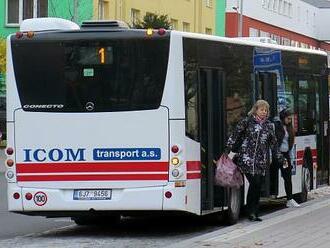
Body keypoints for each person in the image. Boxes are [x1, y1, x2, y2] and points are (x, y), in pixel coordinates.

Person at [224, 100, 283, 222]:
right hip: (246, 158)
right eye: (262, 110)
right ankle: (250, 210)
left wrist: (279, 157)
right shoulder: (247, 122)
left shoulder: (268, 126)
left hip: (261, 160)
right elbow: (235, 135)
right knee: (254, 182)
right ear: (256, 110)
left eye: (266, 110)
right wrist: (228, 149)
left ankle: (254, 212)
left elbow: (274, 143)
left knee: (257, 186)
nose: (264, 112)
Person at [274, 108, 300, 208]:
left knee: (287, 177)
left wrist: (292, 158)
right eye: (288, 118)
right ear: (283, 117)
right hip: (277, 154)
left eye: (291, 119)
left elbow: (291, 144)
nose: (290, 121)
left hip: (285, 155)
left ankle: (289, 199)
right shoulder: (277, 125)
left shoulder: (289, 128)